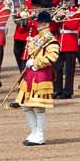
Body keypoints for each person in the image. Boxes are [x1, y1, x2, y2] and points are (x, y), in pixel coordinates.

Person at [12, 8, 60, 146]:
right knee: (25, 105)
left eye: (39, 23)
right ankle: (33, 131)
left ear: (45, 24)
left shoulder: (50, 39)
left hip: (41, 75)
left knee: (38, 107)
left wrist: (36, 63)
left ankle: (39, 134)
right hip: (31, 74)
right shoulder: (38, 38)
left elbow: (52, 56)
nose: (36, 24)